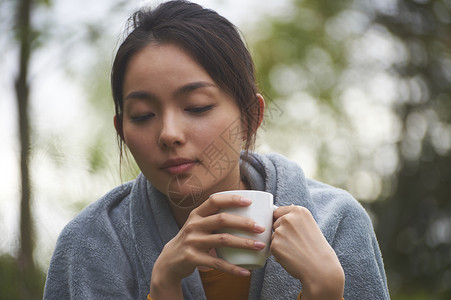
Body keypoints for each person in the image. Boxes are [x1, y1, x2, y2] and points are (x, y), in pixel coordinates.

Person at [43, 1, 390, 299]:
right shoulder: (90, 245)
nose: (169, 134)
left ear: (250, 117)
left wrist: (325, 291)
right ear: (122, 130)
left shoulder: (337, 224)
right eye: (143, 115)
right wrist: (163, 287)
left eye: (196, 107)